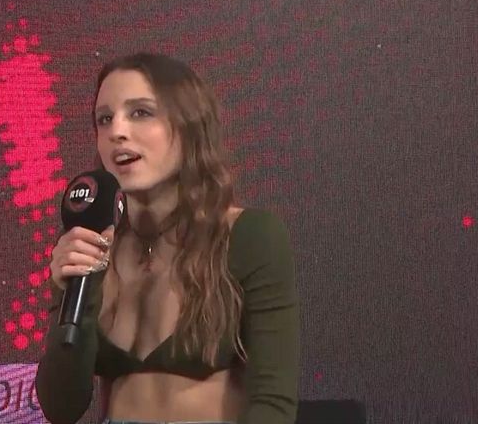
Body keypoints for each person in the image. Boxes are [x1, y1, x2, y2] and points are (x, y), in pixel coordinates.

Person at [35, 53, 299, 424]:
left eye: (140, 112)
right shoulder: (91, 247)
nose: (117, 131)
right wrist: (74, 291)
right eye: (104, 119)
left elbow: (274, 401)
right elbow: (60, 407)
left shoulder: (249, 235)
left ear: (189, 126)